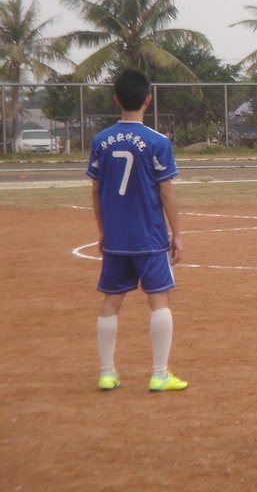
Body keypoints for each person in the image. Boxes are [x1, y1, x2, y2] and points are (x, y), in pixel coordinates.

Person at [86, 68, 187, 392]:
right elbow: (166, 192)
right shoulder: (158, 142)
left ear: (117, 99)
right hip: (149, 236)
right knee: (159, 300)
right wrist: (177, 234)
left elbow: (95, 190)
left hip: (116, 236)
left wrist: (103, 231)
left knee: (111, 301)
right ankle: (159, 374)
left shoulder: (101, 141)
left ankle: (107, 373)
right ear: (148, 99)